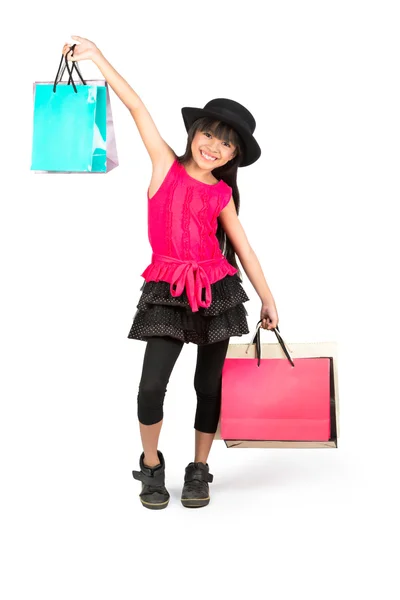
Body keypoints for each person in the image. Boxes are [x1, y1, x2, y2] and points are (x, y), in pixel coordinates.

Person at [62, 36, 279, 510]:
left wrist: (268, 298)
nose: (215, 147)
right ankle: (151, 464)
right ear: (194, 132)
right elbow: (138, 106)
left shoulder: (222, 195)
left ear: (233, 156)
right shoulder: (165, 165)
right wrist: (97, 57)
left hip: (217, 290)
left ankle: (199, 468)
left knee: (209, 386)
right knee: (151, 386)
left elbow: (244, 251)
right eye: (211, 135)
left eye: (227, 144)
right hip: (168, 288)